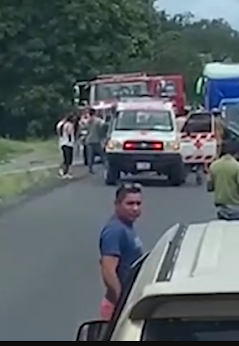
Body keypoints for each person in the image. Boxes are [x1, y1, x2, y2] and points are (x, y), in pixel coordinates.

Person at [98, 183, 144, 321]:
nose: (135, 208)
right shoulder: (114, 231)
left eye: (138, 203)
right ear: (117, 204)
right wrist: (121, 302)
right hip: (116, 308)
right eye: (129, 203)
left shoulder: (127, 228)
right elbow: (108, 271)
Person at [207, 143, 239, 220]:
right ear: (236, 154)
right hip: (235, 204)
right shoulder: (238, 167)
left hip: (220, 205)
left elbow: (210, 187)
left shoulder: (214, 165)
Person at [84, 109, 107, 174]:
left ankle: (90, 168)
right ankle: (106, 166)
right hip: (97, 140)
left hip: (89, 140)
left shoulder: (87, 121)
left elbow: (84, 128)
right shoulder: (98, 120)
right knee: (102, 154)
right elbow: (104, 125)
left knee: (90, 156)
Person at [57, 113, 76, 178]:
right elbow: (70, 133)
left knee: (65, 158)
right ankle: (66, 172)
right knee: (69, 159)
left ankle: (63, 171)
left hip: (62, 142)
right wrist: (72, 140)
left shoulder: (60, 124)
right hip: (68, 143)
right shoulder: (70, 125)